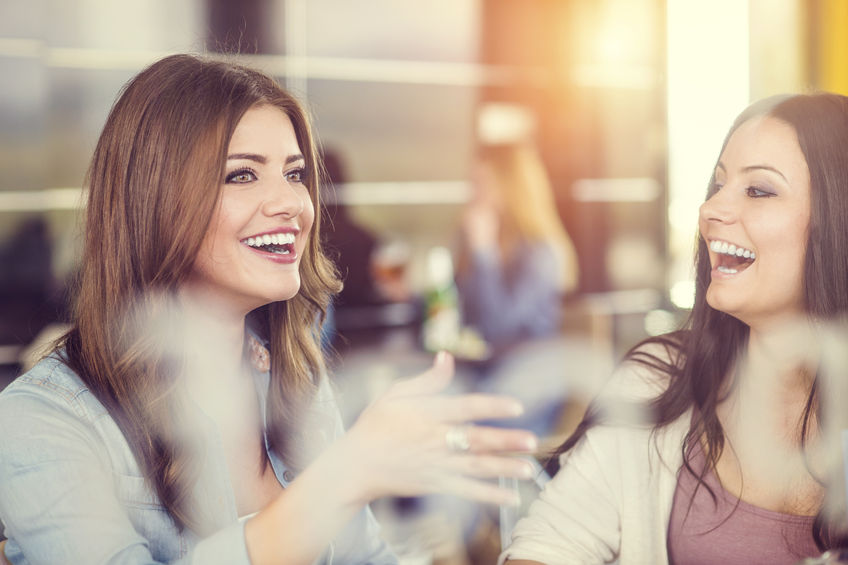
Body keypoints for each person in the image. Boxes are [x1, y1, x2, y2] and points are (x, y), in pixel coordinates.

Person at [0, 54, 539, 565]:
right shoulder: (44, 419)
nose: (292, 203)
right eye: (242, 174)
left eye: (295, 173)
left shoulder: (295, 379)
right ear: (155, 201)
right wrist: (341, 479)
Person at [501, 93, 848, 564]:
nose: (710, 211)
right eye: (718, 184)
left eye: (759, 190)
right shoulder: (657, 382)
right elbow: (549, 545)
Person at [455, 142, 579, 353]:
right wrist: (410, 299)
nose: (475, 194)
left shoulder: (541, 251)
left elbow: (500, 328)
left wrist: (484, 252)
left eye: (483, 183)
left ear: (510, 187)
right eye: (473, 183)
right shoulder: (479, 240)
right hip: (481, 365)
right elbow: (457, 308)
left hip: (525, 365)